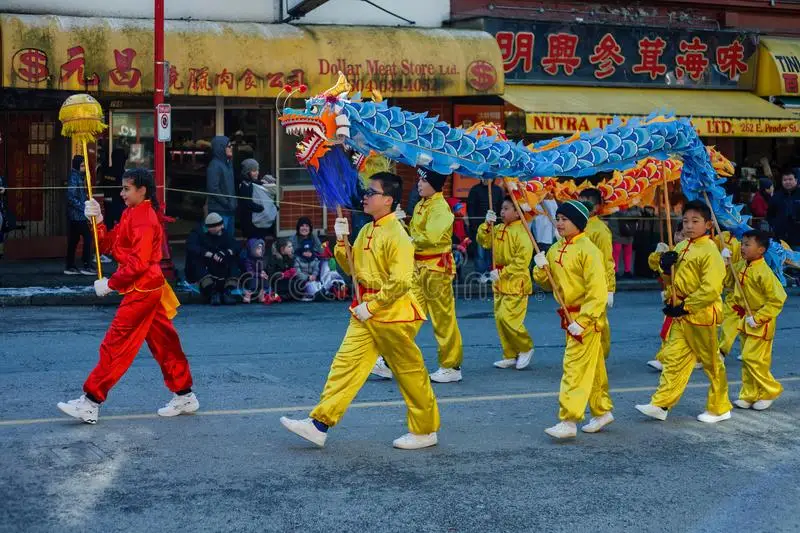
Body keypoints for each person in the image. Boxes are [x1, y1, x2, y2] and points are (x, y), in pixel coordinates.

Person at [280, 171, 440, 450]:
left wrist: (374, 305)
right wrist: (342, 243)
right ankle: (319, 424)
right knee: (345, 365)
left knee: (408, 372)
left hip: (392, 314)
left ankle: (425, 430)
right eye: (366, 192)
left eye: (371, 193)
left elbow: (401, 281)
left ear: (388, 199)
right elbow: (351, 268)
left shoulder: (398, 235)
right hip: (364, 310)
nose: (365, 197)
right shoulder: (367, 229)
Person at [57, 169, 197, 424]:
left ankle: (91, 401)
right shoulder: (132, 212)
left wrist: (111, 283)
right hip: (146, 287)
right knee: (165, 344)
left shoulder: (143, 217)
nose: (121, 193)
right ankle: (185, 394)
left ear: (141, 190)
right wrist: (97, 220)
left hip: (142, 288)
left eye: (126, 189)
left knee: (116, 344)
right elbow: (110, 245)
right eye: (122, 188)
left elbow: (139, 263)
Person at [635, 200, 731, 424]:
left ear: (708, 224)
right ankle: (661, 404)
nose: (689, 226)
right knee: (674, 359)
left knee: (712, 363)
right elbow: (672, 279)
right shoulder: (680, 247)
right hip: (681, 314)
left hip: (701, 315)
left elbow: (711, 289)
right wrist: (665, 268)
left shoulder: (710, 251)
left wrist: (685, 306)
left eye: (695, 221)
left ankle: (720, 407)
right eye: (686, 221)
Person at [532, 200, 613, 439]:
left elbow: (597, 291)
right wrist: (540, 268)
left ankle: (568, 420)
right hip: (569, 316)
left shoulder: (589, 251)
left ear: (578, 222)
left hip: (585, 318)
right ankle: (602, 411)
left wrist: (585, 320)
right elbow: (550, 285)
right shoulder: (556, 249)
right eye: (557, 219)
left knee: (573, 367)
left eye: (564, 219)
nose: (559, 223)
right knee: (594, 367)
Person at [404, 168, 464, 383]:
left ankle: (451, 365)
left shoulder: (440, 208)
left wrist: (409, 239)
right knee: (410, 311)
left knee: (443, 318)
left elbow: (431, 237)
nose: (419, 183)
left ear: (435, 184)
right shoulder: (422, 203)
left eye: (423, 180)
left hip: (436, 269)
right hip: (418, 266)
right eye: (419, 179)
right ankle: (392, 357)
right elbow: (416, 233)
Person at [726, 230, 787, 411]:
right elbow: (728, 281)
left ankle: (770, 390)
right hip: (746, 318)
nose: (742, 247)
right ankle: (749, 394)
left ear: (760, 250)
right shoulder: (742, 265)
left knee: (753, 358)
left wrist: (759, 318)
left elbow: (778, 298)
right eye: (742, 243)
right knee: (747, 360)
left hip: (761, 321)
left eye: (747, 244)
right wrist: (725, 262)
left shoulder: (764, 272)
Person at [477, 196, 534, 370]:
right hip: (499, 281)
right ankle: (510, 353)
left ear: (518, 212)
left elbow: (522, 260)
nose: (502, 212)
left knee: (509, 318)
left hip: (515, 281)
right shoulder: (499, 228)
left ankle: (525, 347)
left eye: (507, 208)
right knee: (500, 320)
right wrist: (487, 225)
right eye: (502, 208)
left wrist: (502, 272)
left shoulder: (523, 232)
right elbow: (484, 242)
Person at [577, 188, 616, 359]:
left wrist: (610, 288)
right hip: (577, 283)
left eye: (587, 201)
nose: (583, 205)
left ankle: (600, 355)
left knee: (598, 323)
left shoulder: (600, 230)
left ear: (597, 206)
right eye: (580, 200)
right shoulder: (576, 225)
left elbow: (607, 260)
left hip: (596, 283)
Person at [185, 213, 239, 306]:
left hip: (221, 265)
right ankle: (212, 292)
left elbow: (235, 246)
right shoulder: (199, 233)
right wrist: (209, 254)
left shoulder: (225, 234)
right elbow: (191, 247)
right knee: (195, 260)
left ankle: (227, 291)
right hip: (206, 264)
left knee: (233, 259)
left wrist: (226, 253)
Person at [65, 155, 96, 276]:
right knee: (87, 237)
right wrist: (83, 207)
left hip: (77, 214)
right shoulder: (74, 177)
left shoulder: (79, 176)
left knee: (74, 240)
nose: (84, 168)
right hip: (77, 215)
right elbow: (71, 197)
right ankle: (86, 264)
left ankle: (70, 265)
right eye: (82, 166)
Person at [467, 179, 504, 279]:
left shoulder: (498, 190)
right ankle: (481, 274)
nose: (487, 179)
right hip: (479, 228)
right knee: (480, 253)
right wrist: (474, 226)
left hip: (494, 227)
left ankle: (491, 272)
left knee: (493, 253)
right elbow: (470, 209)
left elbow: (501, 207)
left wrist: (500, 224)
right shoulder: (475, 190)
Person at [206, 136, 237, 238]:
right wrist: (227, 203)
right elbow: (213, 189)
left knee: (229, 239)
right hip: (219, 211)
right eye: (228, 146)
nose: (231, 147)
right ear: (221, 148)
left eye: (231, 145)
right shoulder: (214, 165)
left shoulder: (228, 164)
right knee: (221, 240)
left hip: (229, 210)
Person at [237, 158, 271, 240]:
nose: (257, 173)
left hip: (256, 220)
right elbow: (247, 203)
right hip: (249, 222)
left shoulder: (250, 182)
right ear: (247, 172)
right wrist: (262, 208)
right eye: (254, 171)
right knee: (254, 244)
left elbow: (256, 183)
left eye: (257, 170)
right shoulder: (244, 185)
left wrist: (263, 183)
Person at [767, 167, 800, 249]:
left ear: (796, 180)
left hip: (798, 238)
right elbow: (769, 215)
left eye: (790, 179)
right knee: (781, 260)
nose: (787, 182)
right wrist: (775, 225)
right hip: (780, 238)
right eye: (785, 180)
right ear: (782, 182)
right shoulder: (776, 196)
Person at [609, 206, 641, 279]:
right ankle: (616, 271)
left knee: (626, 251)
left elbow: (638, 213)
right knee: (617, 251)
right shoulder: (629, 204)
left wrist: (621, 211)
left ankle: (626, 271)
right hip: (618, 228)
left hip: (627, 229)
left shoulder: (631, 202)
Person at [267, 237, 303, 302]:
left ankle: (281, 297)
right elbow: (271, 275)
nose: (291, 248)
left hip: (288, 282)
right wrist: (282, 275)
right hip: (278, 283)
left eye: (291, 246)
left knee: (300, 284)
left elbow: (293, 271)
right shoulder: (274, 258)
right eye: (289, 247)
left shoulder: (290, 257)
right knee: (292, 286)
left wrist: (293, 273)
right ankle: (277, 296)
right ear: (282, 249)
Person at [101, 148, 128, 230]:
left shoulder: (107, 171)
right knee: (121, 224)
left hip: (108, 199)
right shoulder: (122, 173)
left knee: (109, 222)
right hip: (118, 201)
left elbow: (103, 184)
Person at [241, 237, 268, 304]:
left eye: (261, 248)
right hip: (248, 277)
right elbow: (250, 272)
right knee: (254, 280)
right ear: (252, 249)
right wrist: (260, 274)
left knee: (264, 280)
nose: (260, 250)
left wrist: (263, 273)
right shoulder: (248, 260)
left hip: (257, 276)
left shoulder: (261, 259)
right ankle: (248, 295)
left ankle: (261, 295)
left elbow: (261, 269)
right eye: (258, 248)